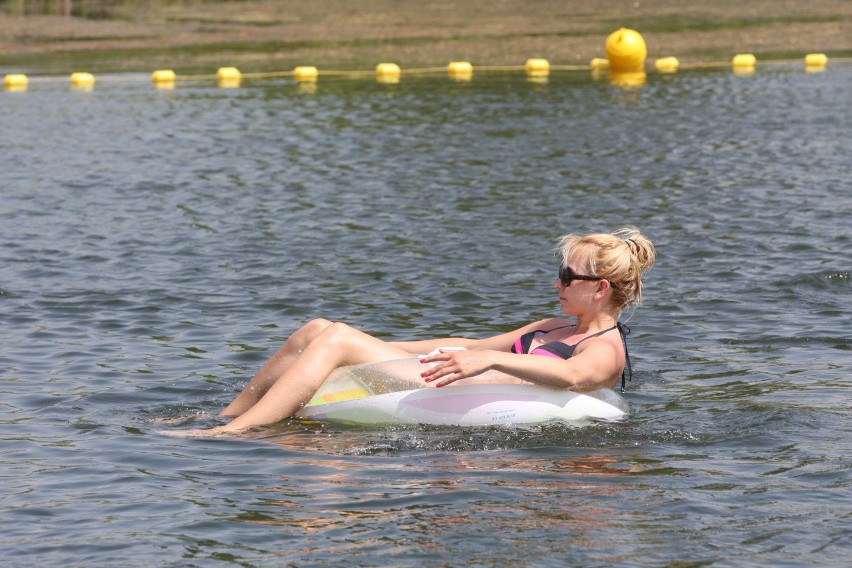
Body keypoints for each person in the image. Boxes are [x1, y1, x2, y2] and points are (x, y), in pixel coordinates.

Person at [177, 227, 655, 436]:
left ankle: (237, 433)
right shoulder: (551, 325)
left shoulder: (605, 348)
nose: (558, 283)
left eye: (569, 277)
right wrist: (382, 347)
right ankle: (222, 417)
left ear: (600, 289)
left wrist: (491, 361)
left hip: (451, 384)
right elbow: (470, 345)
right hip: (440, 372)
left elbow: (573, 379)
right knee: (321, 329)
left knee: (337, 336)